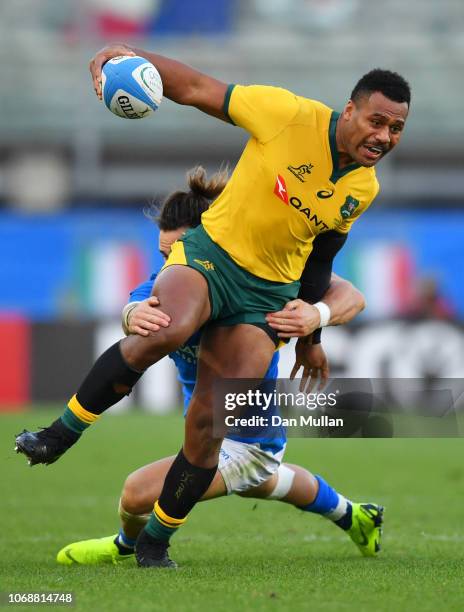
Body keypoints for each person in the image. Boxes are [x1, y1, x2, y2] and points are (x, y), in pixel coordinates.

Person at [15, 43, 410, 568]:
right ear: (351, 109)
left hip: (264, 297)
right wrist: (132, 58)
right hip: (212, 257)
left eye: (396, 129)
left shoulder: (363, 186)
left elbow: (320, 263)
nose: (384, 137)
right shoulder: (287, 114)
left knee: (208, 423)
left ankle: (150, 546)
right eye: (377, 122)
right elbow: (198, 88)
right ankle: (59, 434)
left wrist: (312, 335)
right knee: (168, 329)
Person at [55, 168, 378, 565]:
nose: (173, 263)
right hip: (214, 436)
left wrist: (316, 316)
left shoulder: (260, 282)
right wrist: (130, 314)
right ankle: (355, 515)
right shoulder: (166, 287)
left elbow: (351, 295)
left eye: (180, 251)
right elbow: (137, 308)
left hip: (250, 443)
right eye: (165, 254)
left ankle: (129, 545)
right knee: (269, 482)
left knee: (137, 493)